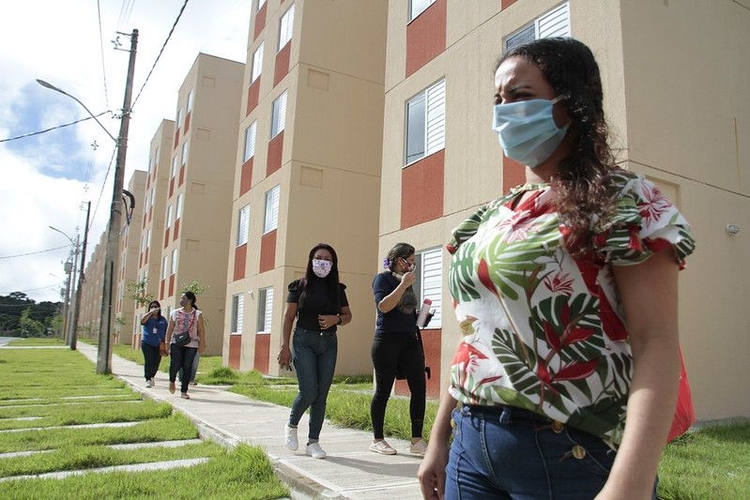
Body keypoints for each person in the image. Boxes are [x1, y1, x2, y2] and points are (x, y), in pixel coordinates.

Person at [418, 37, 696, 499]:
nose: (504, 111)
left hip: (568, 455)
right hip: (471, 443)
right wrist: (439, 438)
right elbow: (474, 337)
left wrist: (629, 485)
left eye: (521, 97)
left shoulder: (624, 202)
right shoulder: (489, 219)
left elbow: (657, 343)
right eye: (498, 100)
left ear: (573, 104)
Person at [277, 243, 352, 459]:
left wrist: (335, 319)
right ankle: (292, 425)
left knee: (322, 394)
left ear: (333, 264)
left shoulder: (338, 289)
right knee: (308, 390)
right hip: (303, 341)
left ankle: (313, 442)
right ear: (311, 260)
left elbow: (348, 316)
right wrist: (284, 347)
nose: (322, 262)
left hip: (328, 343)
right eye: (318, 257)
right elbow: (288, 317)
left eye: (327, 259)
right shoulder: (299, 286)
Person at [369, 243, 428, 456]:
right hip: (386, 340)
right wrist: (403, 285)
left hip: (409, 339)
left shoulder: (407, 282)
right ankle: (377, 439)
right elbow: (383, 306)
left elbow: (406, 313)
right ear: (396, 259)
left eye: (413, 262)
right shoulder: (382, 279)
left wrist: (422, 316)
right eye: (407, 261)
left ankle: (416, 440)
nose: (411, 266)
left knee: (419, 388)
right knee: (383, 391)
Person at [165, 291, 206, 399]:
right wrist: (167, 342)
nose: (181, 300)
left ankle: (184, 391)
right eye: (181, 298)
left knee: (188, 366)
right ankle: (172, 380)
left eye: (183, 298)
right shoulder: (175, 313)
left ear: (190, 301)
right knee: (175, 364)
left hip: (192, 344)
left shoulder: (198, 314)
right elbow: (170, 328)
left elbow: (201, 330)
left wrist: (202, 344)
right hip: (176, 342)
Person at [140, 300, 168, 388]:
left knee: (156, 362)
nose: (154, 308)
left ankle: (152, 376)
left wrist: (166, 342)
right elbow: (142, 321)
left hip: (159, 344)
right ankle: (148, 378)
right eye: (152, 306)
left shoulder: (163, 320)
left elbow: (167, 331)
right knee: (149, 361)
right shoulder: (147, 317)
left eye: (156, 306)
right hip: (147, 343)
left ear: (159, 308)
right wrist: (150, 313)